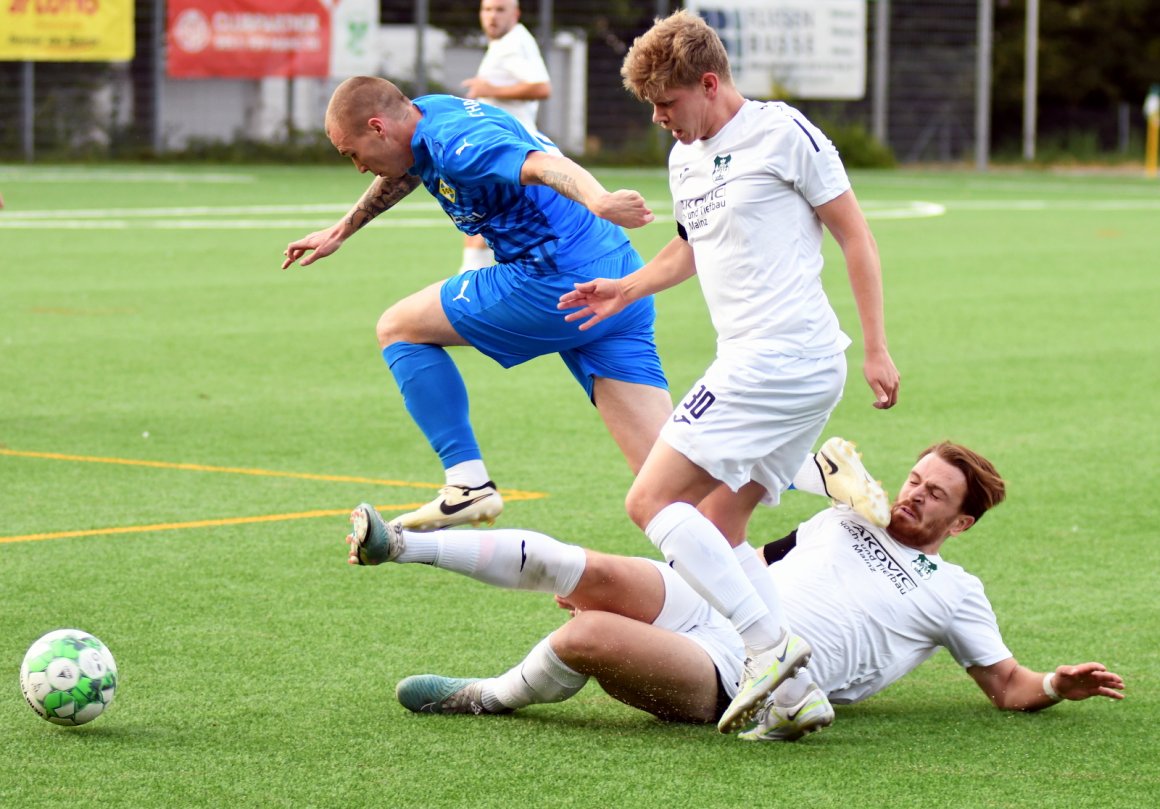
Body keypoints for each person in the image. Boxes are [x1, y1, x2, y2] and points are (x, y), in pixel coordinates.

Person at [556, 11, 901, 732]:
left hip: (780, 358)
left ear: (709, 83)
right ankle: (793, 694)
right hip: (767, 363)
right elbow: (691, 248)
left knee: (649, 501)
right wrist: (626, 286)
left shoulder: (785, 134)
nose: (660, 119)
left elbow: (856, 237)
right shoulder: (684, 158)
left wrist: (876, 346)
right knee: (718, 522)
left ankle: (769, 648)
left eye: (668, 104)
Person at [345, 441, 1125, 740]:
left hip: (749, 675)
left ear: (961, 523)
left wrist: (1058, 682)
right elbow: (744, 550)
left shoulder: (956, 590)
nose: (915, 496)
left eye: (935, 495)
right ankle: (404, 542)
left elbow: (1008, 685)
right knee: (597, 574)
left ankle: (484, 695)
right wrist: (831, 475)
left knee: (586, 636)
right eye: (915, 479)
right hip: (721, 611)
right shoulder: (842, 518)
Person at [281, 76, 674, 531]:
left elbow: (541, 165)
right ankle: (759, 559)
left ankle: (468, 484)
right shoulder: (427, 116)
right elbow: (409, 169)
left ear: (378, 127)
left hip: (555, 281)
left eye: (353, 153)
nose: (359, 168)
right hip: (618, 280)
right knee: (664, 484)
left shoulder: (457, 141)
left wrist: (600, 199)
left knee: (398, 327)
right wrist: (341, 230)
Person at [458, 0, 552, 273]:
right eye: (487, 10)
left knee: (482, 220)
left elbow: (542, 88)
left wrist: (489, 88)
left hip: (511, 151)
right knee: (482, 221)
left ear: (516, 14)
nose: (492, 16)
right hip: (505, 150)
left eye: (500, 10)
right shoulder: (506, 43)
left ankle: (467, 287)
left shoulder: (513, 43)